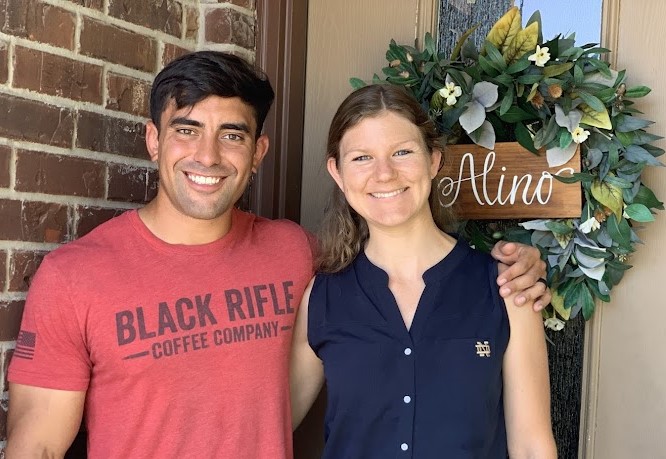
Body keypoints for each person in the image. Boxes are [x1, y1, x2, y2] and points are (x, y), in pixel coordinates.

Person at [7, 52, 549, 458]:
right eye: (186, 130)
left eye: (232, 135)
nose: (208, 156)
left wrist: (524, 266)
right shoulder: (74, 276)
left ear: (258, 152)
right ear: (153, 140)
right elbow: (36, 445)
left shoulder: (295, 256)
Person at [290, 84, 557, 458]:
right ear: (337, 172)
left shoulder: (507, 288)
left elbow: (531, 447)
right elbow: (268, 426)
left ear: (433, 160)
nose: (384, 174)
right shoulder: (321, 297)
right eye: (362, 158)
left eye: (402, 152)